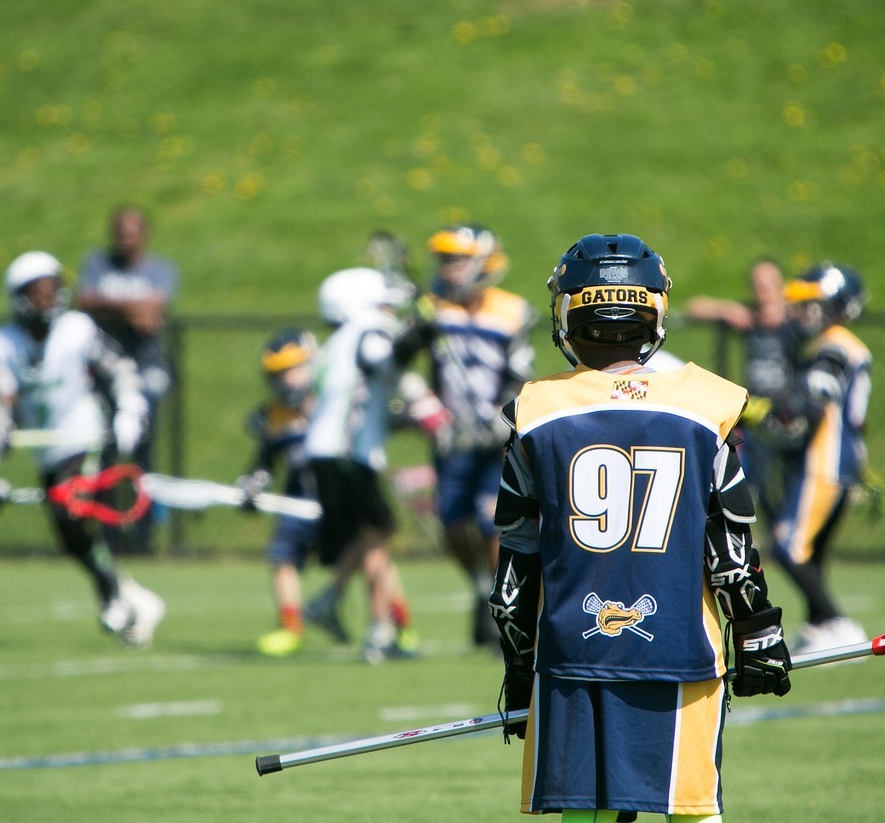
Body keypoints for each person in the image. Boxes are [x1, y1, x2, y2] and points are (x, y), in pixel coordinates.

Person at [488, 233, 792, 821]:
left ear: (571, 314)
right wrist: (757, 634)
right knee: (692, 811)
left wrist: (520, 666)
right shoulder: (705, 405)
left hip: (571, 657)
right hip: (679, 651)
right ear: (651, 312)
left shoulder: (535, 411)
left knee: (586, 814)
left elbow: (513, 575)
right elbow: (730, 555)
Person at [0, 251, 165, 647]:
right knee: (70, 536)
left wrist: (130, 411)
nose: (47, 300)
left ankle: (111, 597)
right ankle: (129, 596)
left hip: (83, 436)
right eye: (38, 293)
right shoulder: (1, 343)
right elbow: (5, 401)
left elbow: (118, 370)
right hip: (45, 447)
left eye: (52, 291)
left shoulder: (78, 329)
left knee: (69, 512)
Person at [395, 224, 536, 647]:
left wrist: (502, 417)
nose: (448, 268)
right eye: (443, 260)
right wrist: (424, 403)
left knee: (493, 522)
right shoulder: (431, 307)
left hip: (493, 436)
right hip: (452, 436)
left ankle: (499, 607)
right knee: (452, 523)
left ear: (483, 263)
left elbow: (519, 372)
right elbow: (396, 361)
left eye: (457, 259)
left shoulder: (512, 309)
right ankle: (480, 586)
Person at [302, 267, 421, 664]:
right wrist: (417, 338)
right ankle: (375, 629)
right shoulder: (367, 330)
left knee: (374, 535)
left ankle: (336, 602)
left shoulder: (337, 340)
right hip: (349, 453)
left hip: (333, 450)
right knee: (377, 534)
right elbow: (381, 361)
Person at [762, 262, 871, 653]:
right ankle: (817, 626)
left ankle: (837, 624)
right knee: (814, 551)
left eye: (810, 304)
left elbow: (819, 388)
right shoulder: (841, 343)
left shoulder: (834, 345)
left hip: (822, 462)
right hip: (839, 461)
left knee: (787, 548)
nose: (802, 313)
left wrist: (783, 409)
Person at [76, 205, 179, 555]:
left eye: (134, 231)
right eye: (121, 231)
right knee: (104, 452)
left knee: (142, 454)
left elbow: (154, 311)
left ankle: (143, 538)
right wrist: (130, 308)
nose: (127, 238)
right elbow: (84, 301)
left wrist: (111, 307)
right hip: (104, 369)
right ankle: (105, 533)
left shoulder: (160, 269)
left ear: (145, 235)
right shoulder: (97, 264)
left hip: (145, 369)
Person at [684, 257, 798, 522]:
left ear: (780, 285)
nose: (762, 290)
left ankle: (788, 531)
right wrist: (726, 309)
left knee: (788, 484)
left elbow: (820, 310)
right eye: (757, 284)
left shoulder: (795, 320)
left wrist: (788, 311)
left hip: (789, 412)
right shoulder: (751, 318)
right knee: (752, 481)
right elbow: (693, 307)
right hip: (755, 413)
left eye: (767, 284)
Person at [238, 329, 324, 656]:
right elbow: (265, 463)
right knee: (282, 556)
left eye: (291, 371)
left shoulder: (333, 401)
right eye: (277, 375)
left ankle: (396, 622)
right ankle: (291, 626)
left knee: (371, 556)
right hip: (300, 499)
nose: (285, 381)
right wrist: (253, 484)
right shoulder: (273, 415)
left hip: (342, 498)